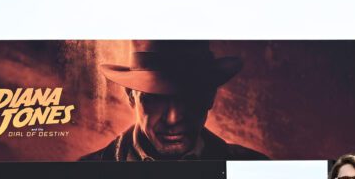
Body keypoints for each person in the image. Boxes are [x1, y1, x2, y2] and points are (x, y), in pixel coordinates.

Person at [78, 40, 268, 161]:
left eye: (189, 99)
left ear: (210, 97)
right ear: (131, 96)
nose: (172, 119)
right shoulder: (88, 171)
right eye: (154, 100)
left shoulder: (254, 167)